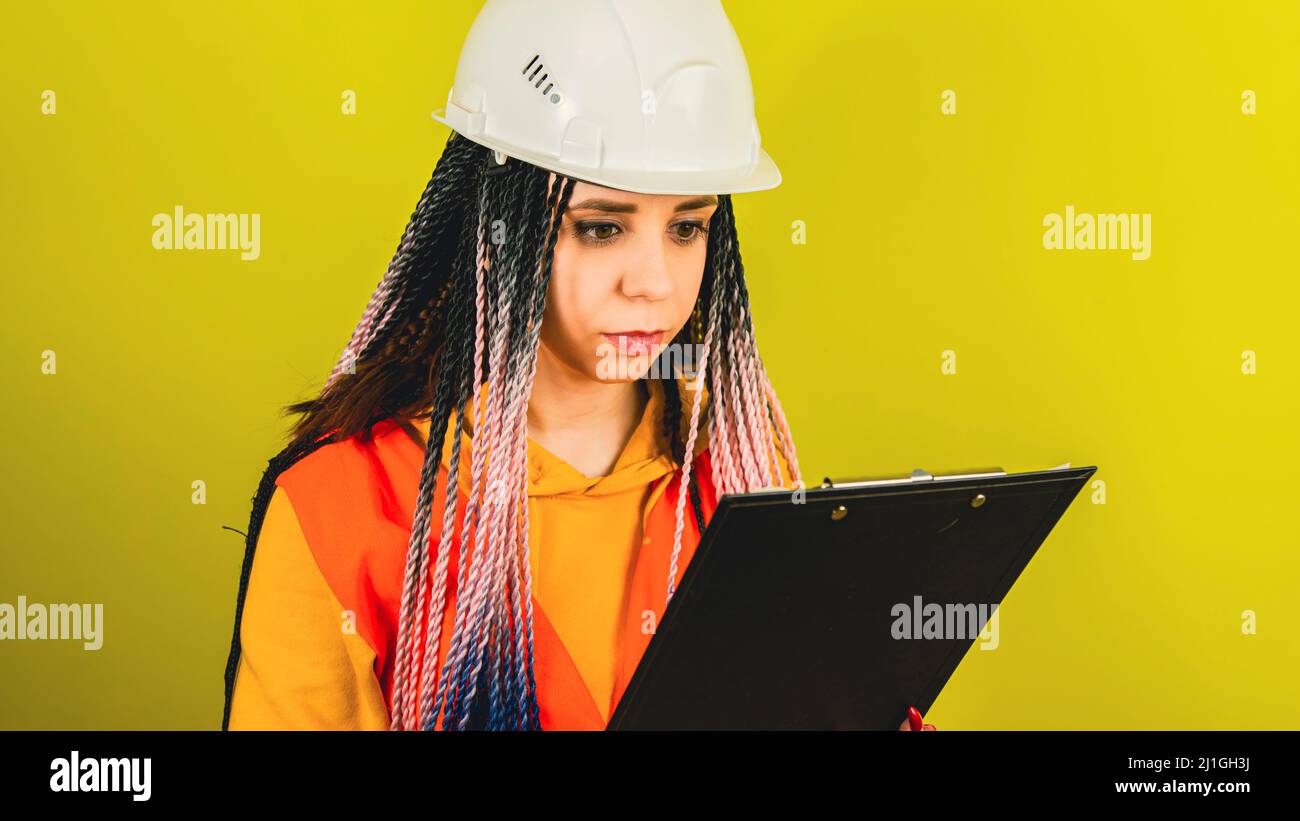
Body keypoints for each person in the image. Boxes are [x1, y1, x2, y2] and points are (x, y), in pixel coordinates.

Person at [221, 0, 934, 732]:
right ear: (496, 233)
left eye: (687, 226)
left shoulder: (739, 471)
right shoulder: (340, 508)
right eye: (602, 228)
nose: (653, 281)